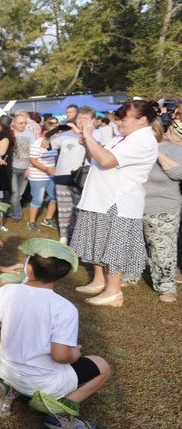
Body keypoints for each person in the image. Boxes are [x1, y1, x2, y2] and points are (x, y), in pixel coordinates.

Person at [0, 240, 111, 429]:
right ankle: (59, 414)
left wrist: (1, 348)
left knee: (18, 370)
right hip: (45, 384)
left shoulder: (8, 291)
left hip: (7, 369)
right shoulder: (65, 308)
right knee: (102, 366)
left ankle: (9, 389)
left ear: (29, 268)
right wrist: (74, 354)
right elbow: (60, 356)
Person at [71, 100, 160, 307]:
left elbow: (107, 161)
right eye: (118, 117)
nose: (118, 122)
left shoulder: (143, 140)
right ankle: (99, 280)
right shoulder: (123, 136)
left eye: (124, 118)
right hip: (100, 197)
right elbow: (97, 157)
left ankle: (113, 291)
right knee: (98, 241)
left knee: (114, 247)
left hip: (118, 201)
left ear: (142, 120)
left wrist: (90, 136)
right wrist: (88, 143)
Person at [141, 111, 182, 302]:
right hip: (134, 205)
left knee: (162, 249)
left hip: (163, 206)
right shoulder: (133, 149)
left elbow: (178, 173)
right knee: (136, 245)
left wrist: (156, 151)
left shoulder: (173, 148)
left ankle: (166, 286)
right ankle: (130, 276)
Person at [51, 106, 91, 244]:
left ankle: (82, 238)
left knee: (80, 209)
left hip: (82, 178)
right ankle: (64, 236)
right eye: (80, 118)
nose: (82, 121)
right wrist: (54, 129)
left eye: (86, 118)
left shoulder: (95, 135)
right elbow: (47, 145)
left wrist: (83, 134)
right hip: (63, 175)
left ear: (93, 120)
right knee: (64, 209)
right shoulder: (65, 135)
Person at [26, 122, 59, 231]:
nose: (56, 134)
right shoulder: (37, 144)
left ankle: (48, 219)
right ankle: (31, 222)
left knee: (55, 197)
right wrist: (47, 169)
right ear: (45, 132)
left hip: (51, 176)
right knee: (38, 200)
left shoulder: (54, 144)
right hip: (38, 177)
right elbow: (33, 160)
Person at [8, 111, 36, 222]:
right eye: (20, 123)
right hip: (13, 168)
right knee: (15, 193)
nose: (23, 125)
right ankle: (17, 215)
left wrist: (30, 167)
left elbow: (33, 152)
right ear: (14, 123)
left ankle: (12, 210)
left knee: (19, 194)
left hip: (25, 168)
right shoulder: (10, 134)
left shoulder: (31, 135)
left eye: (24, 123)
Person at [0, 115, 14, 202]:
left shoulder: (5, 135)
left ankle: (0, 205)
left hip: (2, 166)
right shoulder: (1, 134)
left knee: (0, 188)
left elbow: (2, 152)